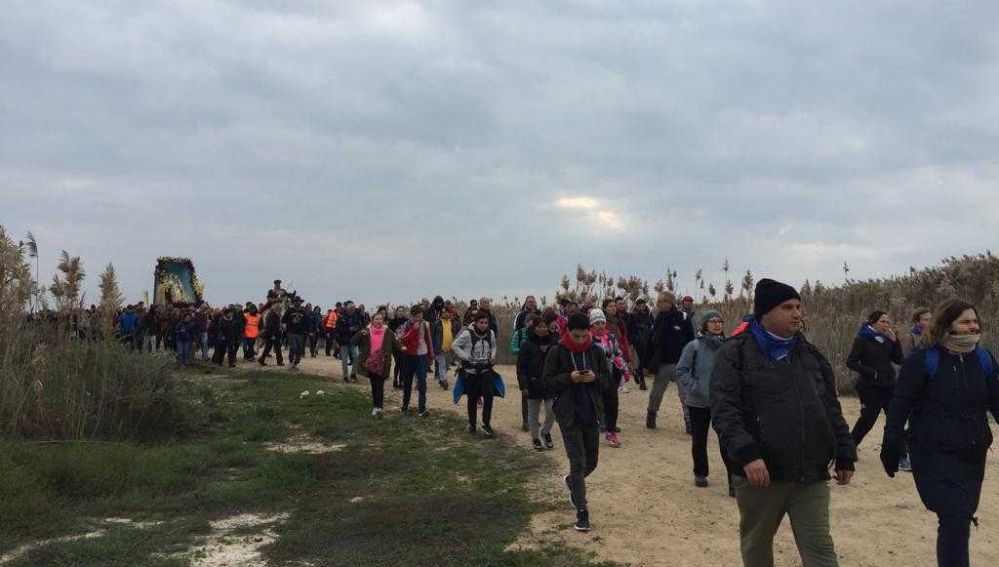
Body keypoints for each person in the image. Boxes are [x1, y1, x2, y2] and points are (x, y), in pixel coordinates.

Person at [711, 278, 856, 567]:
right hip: (761, 476)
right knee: (757, 545)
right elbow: (725, 410)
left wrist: (844, 452)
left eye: (799, 306)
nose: (796, 313)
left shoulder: (811, 355)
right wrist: (748, 455)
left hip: (810, 472)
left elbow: (830, 408)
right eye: (787, 307)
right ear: (765, 313)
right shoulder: (734, 353)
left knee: (821, 550)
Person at [880, 298, 999, 567]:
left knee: (961, 516)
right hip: (933, 453)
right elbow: (900, 404)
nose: (972, 326)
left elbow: (996, 399)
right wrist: (891, 444)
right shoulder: (925, 359)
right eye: (965, 321)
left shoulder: (983, 358)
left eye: (975, 321)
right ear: (948, 325)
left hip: (972, 453)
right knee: (955, 517)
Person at [542, 312, 611, 533]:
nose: (581, 340)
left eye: (584, 335)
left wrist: (595, 378)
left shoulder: (596, 351)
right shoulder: (557, 351)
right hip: (568, 414)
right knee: (578, 462)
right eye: (576, 336)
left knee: (592, 462)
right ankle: (582, 511)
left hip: (591, 413)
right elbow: (546, 383)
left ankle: (573, 482)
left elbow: (608, 382)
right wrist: (568, 378)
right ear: (568, 332)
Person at [677, 310, 733, 493]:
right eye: (713, 321)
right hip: (698, 402)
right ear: (705, 324)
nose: (717, 324)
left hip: (722, 402)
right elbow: (681, 371)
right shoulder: (693, 346)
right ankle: (700, 473)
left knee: (728, 442)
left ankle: (735, 480)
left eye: (720, 321)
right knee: (699, 440)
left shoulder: (729, 346)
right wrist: (695, 387)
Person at [846, 310, 906, 467]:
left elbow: (899, 360)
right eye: (883, 321)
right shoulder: (862, 339)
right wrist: (871, 373)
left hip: (889, 385)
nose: (887, 325)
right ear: (873, 322)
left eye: (888, 322)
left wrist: (895, 341)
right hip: (870, 387)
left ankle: (901, 455)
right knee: (868, 419)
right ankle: (849, 447)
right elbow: (851, 362)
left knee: (895, 419)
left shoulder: (887, 339)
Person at [644, 292, 695, 431]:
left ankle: (690, 422)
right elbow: (651, 341)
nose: (659, 304)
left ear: (669, 302)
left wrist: (691, 360)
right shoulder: (657, 318)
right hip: (663, 363)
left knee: (685, 394)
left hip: (681, 364)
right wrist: (647, 362)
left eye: (661, 301)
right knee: (656, 393)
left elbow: (692, 341)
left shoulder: (683, 318)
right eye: (658, 302)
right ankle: (651, 415)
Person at [452, 312, 499, 436]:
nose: (484, 325)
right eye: (481, 323)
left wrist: (492, 358)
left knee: (489, 397)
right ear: (476, 322)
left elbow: (494, 347)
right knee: (472, 398)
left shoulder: (491, 334)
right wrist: (466, 357)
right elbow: (455, 345)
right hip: (471, 372)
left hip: (486, 370)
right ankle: (472, 425)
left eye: (486, 323)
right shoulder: (468, 334)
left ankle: (486, 424)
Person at [590, 308, 629, 447]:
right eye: (596, 323)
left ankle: (611, 431)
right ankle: (592, 429)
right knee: (595, 404)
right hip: (593, 378)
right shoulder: (588, 339)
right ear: (591, 326)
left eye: (602, 322)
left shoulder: (611, 338)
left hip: (610, 376)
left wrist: (624, 369)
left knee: (612, 403)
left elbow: (617, 354)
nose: (600, 325)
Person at [517, 314, 557, 451]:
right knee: (533, 414)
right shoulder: (526, 345)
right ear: (533, 328)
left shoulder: (554, 343)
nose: (542, 329)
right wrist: (523, 385)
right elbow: (521, 367)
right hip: (532, 383)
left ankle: (545, 432)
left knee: (552, 410)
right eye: (539, 327)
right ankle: (535, 438)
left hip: (550, 383)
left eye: (545, 326)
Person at [353, 311, 402, 417]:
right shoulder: (367, 331)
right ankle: (377, 406)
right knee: (374, 384)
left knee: (379, 384)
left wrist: (404, 348)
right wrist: (360, 333)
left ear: (383, 321)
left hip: (383, 363)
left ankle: (378, 406)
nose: (379, 321)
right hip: (370, 362)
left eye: (380, 319)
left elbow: (396, 344)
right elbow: (354, 341)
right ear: (372, 321)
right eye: (376, 319)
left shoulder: (388, 332)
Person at [397, 305, 434, 416]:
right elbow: (403, 339)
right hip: (409, 356)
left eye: (421, 315)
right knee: (407, 382)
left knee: (422, 381)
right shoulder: (406, 325)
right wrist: (413, 330)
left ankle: (422, 407)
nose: (419, 318)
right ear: (412, 316)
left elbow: (429, 340)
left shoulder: (425, 324)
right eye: (417, 316)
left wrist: (431, 355)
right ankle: (405, 404)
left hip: (422, 355)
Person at [336, 301, 363, 382]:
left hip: (353, 341)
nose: (352, 310)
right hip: (343, 341)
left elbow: (361, 325)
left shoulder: (357, 316)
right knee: (344, 360)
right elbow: (338, 329)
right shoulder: (341, 317)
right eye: (350, 308)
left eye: (353, 308)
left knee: (357, 356)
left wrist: (357, 328)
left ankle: (353, 374)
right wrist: (348, 329)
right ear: (347, 309)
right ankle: (345, 376)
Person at [630, 298, 654, 390]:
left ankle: (636, 372)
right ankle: (642, 381)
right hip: (637, 340)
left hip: (647, 340)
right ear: (636, 306)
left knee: (643, 360)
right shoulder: (633, 315)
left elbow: (653, 324)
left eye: (642, 306)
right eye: (639, 306)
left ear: (645, 305)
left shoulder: (649, 313)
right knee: (640, 359)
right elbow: (632, 328)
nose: (641, 307)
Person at [282, 298, 309, 371]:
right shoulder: (289, 311)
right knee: (293, 347)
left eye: (299, 302)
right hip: (291, 332)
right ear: (294, 303)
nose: (298, 303)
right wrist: (291, 321)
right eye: (296, 302)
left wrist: (306, 330)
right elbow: (283, 320)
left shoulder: (303, 312)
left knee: (299, 349)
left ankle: (295, 363)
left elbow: (306, 322)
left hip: (300, 333)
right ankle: (291, 362)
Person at [388, 306, 408, 389]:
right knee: (398, 362)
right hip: (395, 345)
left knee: (403, 363)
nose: (401, 312)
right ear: (396, 312)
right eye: (399, 311)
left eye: (402, 311)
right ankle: (396, 379)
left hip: (404, 345)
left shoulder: (406, 321)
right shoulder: (392, 322)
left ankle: (401, 381)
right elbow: (390, 333)